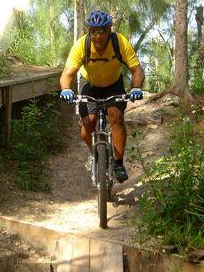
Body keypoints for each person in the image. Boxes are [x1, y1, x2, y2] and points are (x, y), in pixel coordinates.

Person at [59, 10, 145, 183]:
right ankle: (96, 155)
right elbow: (67, 74)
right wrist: (66, 89)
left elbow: (137, 70)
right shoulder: (81, 45)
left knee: (116, 117)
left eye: (102, 31)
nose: (98, 36)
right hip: (89, 85)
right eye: (94, 31)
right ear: (89, 32)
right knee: (87, 123)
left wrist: (136, 87)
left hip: (113, 84)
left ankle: (118, 163)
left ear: (109, 31)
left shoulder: (119, 42)